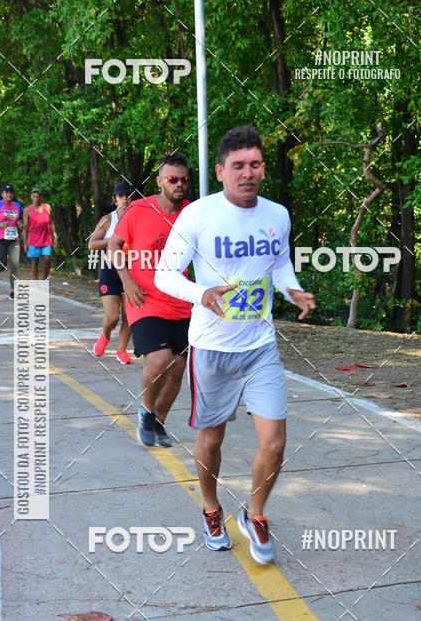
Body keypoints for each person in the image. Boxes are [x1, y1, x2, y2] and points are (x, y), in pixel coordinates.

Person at [155, 126, 315, 564]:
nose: (248, 173)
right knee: (211, 440)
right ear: (221, 171)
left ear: (264, 169)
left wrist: (292, 291)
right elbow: (164, 275)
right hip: (211, 347)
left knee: (275, 442)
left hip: (260, 345)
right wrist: (200, 293)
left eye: (255, 165)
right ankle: (211, 509)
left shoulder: (277, 215)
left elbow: (278, 264)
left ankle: (255, 514)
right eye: (238, 166)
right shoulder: (198, 216)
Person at [108, 154, 192, 447]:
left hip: (180, 301)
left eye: (183, 179)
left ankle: (159, 422)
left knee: (179, 368)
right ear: (159, 181)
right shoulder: (138, 210)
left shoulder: (193, 213)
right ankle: (146, 410)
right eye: (172, 179)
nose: (178, 184)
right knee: (159, 360)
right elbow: (114, 245)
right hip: (144, 298)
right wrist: (127, 280)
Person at [88, 182, 133, 365]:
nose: (124, 198)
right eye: (120, 196)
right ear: (115, 199)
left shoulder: (137, 218)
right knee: (113, 316)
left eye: (127, 195)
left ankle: (121, 350)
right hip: (110, 269)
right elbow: (92, 244)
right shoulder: (108, 219)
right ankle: (105, 336)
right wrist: (113, 242)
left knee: (129, 316)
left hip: (131, 270)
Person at [0, 184, 23, 300]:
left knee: (14, 265)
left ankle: (13, 292)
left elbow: (20, 221)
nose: (9, 194)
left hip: (13, 239)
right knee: (2, 265)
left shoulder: (17, 206)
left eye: (11, 192)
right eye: (6, 192)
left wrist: (21, 224)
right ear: (2, 194)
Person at [23, 188, 57, 280]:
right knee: (35, 262)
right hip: (33, 240)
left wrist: (55, 236)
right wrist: (25, 244)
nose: (36, 198)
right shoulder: (27, 210)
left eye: (38, 196)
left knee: (47, 260)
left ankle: (44, 279)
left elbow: (51, 223)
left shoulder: (47, 207)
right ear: (31, 197)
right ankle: (36, 281)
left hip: (46, 240)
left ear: (41, 197)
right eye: (34, 196)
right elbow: (25, 228)